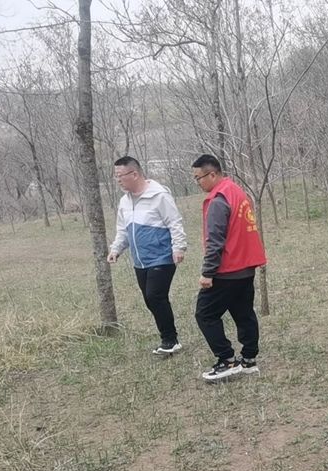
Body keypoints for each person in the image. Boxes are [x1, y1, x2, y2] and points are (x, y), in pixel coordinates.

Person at [192, 154, 267, 381]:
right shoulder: (236, 191)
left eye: (199, 178)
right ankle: (249, 359)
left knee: (205, 313)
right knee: (244, 313)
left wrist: (207, 273)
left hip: (228, 269)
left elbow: (215, 241)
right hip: (246, 266)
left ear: (212, 174)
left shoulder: (218, 199)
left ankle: (227, 360)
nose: (198, 182)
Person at [107, 156, 187, 355]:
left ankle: (170, 340)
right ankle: (168, 338)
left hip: (162, 256)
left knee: (155, 296)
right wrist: (116, 249)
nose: (118, 180)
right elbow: (123, 230)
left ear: (134, 174)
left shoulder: (159, 196)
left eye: (120, 175)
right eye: (116, 176)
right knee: (150, 300)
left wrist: (179, 247)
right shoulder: (125, 202)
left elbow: (174, 222)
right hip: (140, 261)